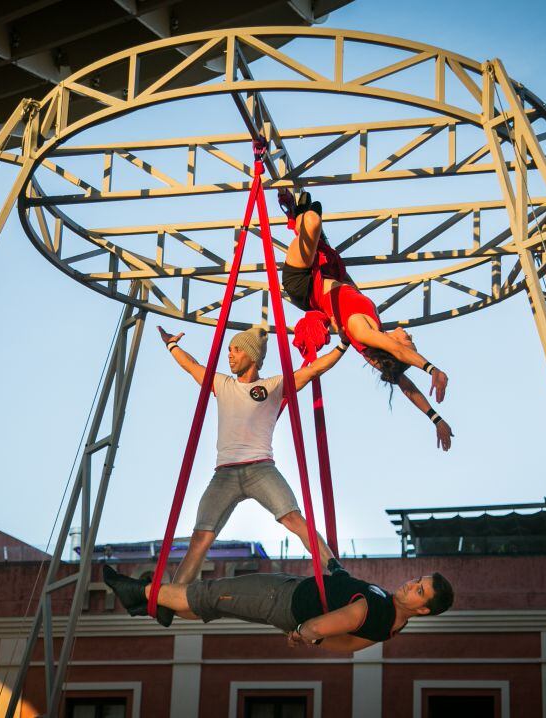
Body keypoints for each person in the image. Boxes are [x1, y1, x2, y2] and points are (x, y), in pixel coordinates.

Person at [148, 324, 346, 625]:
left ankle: (335, 567)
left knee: (294, 519)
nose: (230, 356)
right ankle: (170, 599)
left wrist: (342, 346)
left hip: (260, 469)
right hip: (224, 475)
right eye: (228, 350)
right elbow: (191, 366)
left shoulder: (273, 386)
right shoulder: (222, 384)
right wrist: (172, 346)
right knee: (200, 537)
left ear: (252, 356)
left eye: (235, 350)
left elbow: (313, 370)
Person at [278, 190, 455, 451]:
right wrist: (436, 419)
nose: (410, 336)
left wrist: (433, 370)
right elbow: (404, 383)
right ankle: (299, 217)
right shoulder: (375, 333)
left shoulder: (363, 333)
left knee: (312, 220)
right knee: (317, 226)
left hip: (303, 283)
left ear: (401, 349)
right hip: (328, 273)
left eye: (410, 342)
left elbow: (396, 353)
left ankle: (298, 216)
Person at [103, 562, 454, 653]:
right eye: (416, 579)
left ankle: (137, 592)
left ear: (423, 609)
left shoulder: (376, 613)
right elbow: (350, 645)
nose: (410, 584)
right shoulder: (393, 623)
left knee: (210, 593)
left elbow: (343, 621)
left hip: (282, 600)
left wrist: (306, 633)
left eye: (419, 589)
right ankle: (159, 608)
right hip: (291, 595)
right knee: (218, 604)